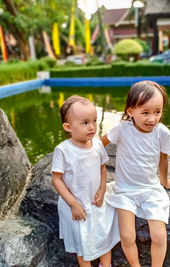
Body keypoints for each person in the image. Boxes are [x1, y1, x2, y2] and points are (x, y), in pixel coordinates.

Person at [101, 81, 170, 267]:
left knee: (159, 235)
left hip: (150, 189)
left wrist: (164, 182)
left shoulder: (162, 133)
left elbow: (163, 159)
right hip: (125, 190)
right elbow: (100, 144)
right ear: (130, 111)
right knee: (127, 235)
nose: (152, 119)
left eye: (157, 112)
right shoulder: (122, 129)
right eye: (145, 112)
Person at [51, 95, 119, 267]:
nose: (92, 127)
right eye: (85, 123)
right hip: (76, 204)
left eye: (94, 121)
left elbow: (103, 167)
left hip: (95, 201)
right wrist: (73, 204)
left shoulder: (96, 145)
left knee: (104, 236)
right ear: (68, 127)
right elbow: (56, 179)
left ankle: (106, 265)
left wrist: (102, 189)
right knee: (82, 244)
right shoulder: (63, 150)